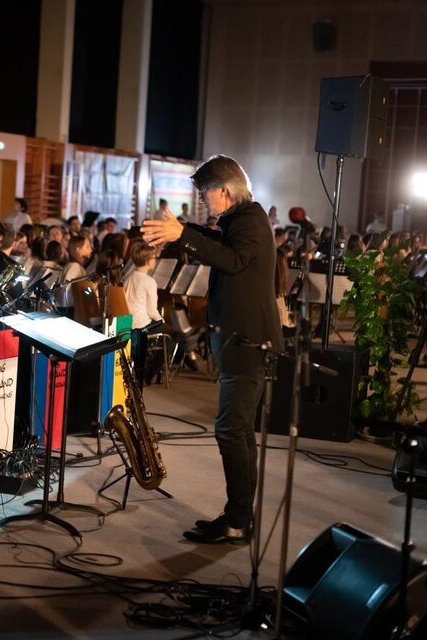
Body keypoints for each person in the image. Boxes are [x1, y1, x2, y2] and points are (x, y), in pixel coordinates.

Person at [141, 154, 282, 545]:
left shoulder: (251, 220)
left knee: (231, 431)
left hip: (248, 344)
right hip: (241, 341)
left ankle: (238, 520)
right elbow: (223, 244)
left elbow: (234, 260)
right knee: (237, 432)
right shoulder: (243, 220)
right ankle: (239, 516)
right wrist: (182, 230)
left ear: (224, 190)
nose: (204, 202)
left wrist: (182, 235)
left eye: (205, 195)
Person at [123, 242, 163, 386]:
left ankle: (151, 370)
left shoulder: (128, 277)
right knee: (171, 335)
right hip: (142, 325)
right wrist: (161, 320)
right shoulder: (149, 281)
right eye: (154, 257)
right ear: (148, 260)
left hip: (128, 324)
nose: (155, 260)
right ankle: (152, 370)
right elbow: (152, 311)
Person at [56, 234, 92, 317]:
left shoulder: (73, 266)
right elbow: (66, 292)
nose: (90, 250)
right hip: (69, 311)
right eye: (87, 247)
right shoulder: (74, 267)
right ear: (78, 249)